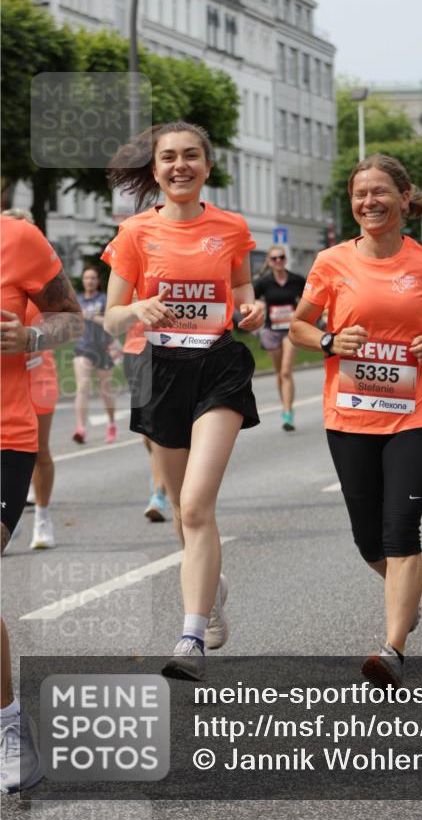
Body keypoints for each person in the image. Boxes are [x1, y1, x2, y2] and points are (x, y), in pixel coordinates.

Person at [289, 154, 422, 686]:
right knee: (368, 540)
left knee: (401, 530)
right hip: (350, 416)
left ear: (405, 198)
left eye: (380, 191)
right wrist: (328, 340)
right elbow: (299, 326)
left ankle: (392, 649)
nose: (369, 201)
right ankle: (404, 597)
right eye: (360, 193)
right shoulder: (331, 262)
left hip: (416, 414)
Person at [103, 121, 264, 681]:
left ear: (207, 166)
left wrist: (250, 310)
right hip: (158, 371)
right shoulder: (135, 233)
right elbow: (111, 316)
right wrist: (136, 308)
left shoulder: (231, 227)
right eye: (169, 157)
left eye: (191, 155)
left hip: (218, 367)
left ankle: (190, 635)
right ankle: (211, 589)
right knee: (180, 509)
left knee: (196, 505)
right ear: (155, 170)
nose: (180, 165)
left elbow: (241, 292)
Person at [1, 213, 81, 793]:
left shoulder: (18, 239)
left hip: (4, 436)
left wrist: (31, 338)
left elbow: (71, 320)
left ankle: (8, 728)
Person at [1, 208, 59, 547]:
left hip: (39, 376)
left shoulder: (38, 275)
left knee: (41, 450)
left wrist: (30, 337)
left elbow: (66, 321)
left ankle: (42, 516)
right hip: (13, 380)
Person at [122, 317, 171, 522]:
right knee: (147, 435)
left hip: (170, 348)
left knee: (161, 429)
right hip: (135, 352)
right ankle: (163, 470)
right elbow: (113, 317)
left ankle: (159, 494)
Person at [254, 246, 306, 431]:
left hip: (291, 331)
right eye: (274, 258)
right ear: (269, 262)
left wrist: (302, 312)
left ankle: (288, 413)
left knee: (285, 371)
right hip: (272, 331)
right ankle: (285, 403)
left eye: (281, 257)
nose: (278, 261)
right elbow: (251, 299)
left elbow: (309, 299)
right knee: (278, 373)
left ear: (285, 259)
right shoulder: (264, 282)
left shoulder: (296, 280)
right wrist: (258, 305)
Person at [72, 266, 116, 444]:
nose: (89, 281)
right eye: (86, 278)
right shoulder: (77, 300)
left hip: (103, 348)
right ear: (82, 281)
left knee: (105, 390)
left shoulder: (104, 299)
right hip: (83, 347)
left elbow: (111, 322)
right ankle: (80, 429)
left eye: (92, 278)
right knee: (82, 386)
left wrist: (90, 316)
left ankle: (111, 423)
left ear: (98, 281)